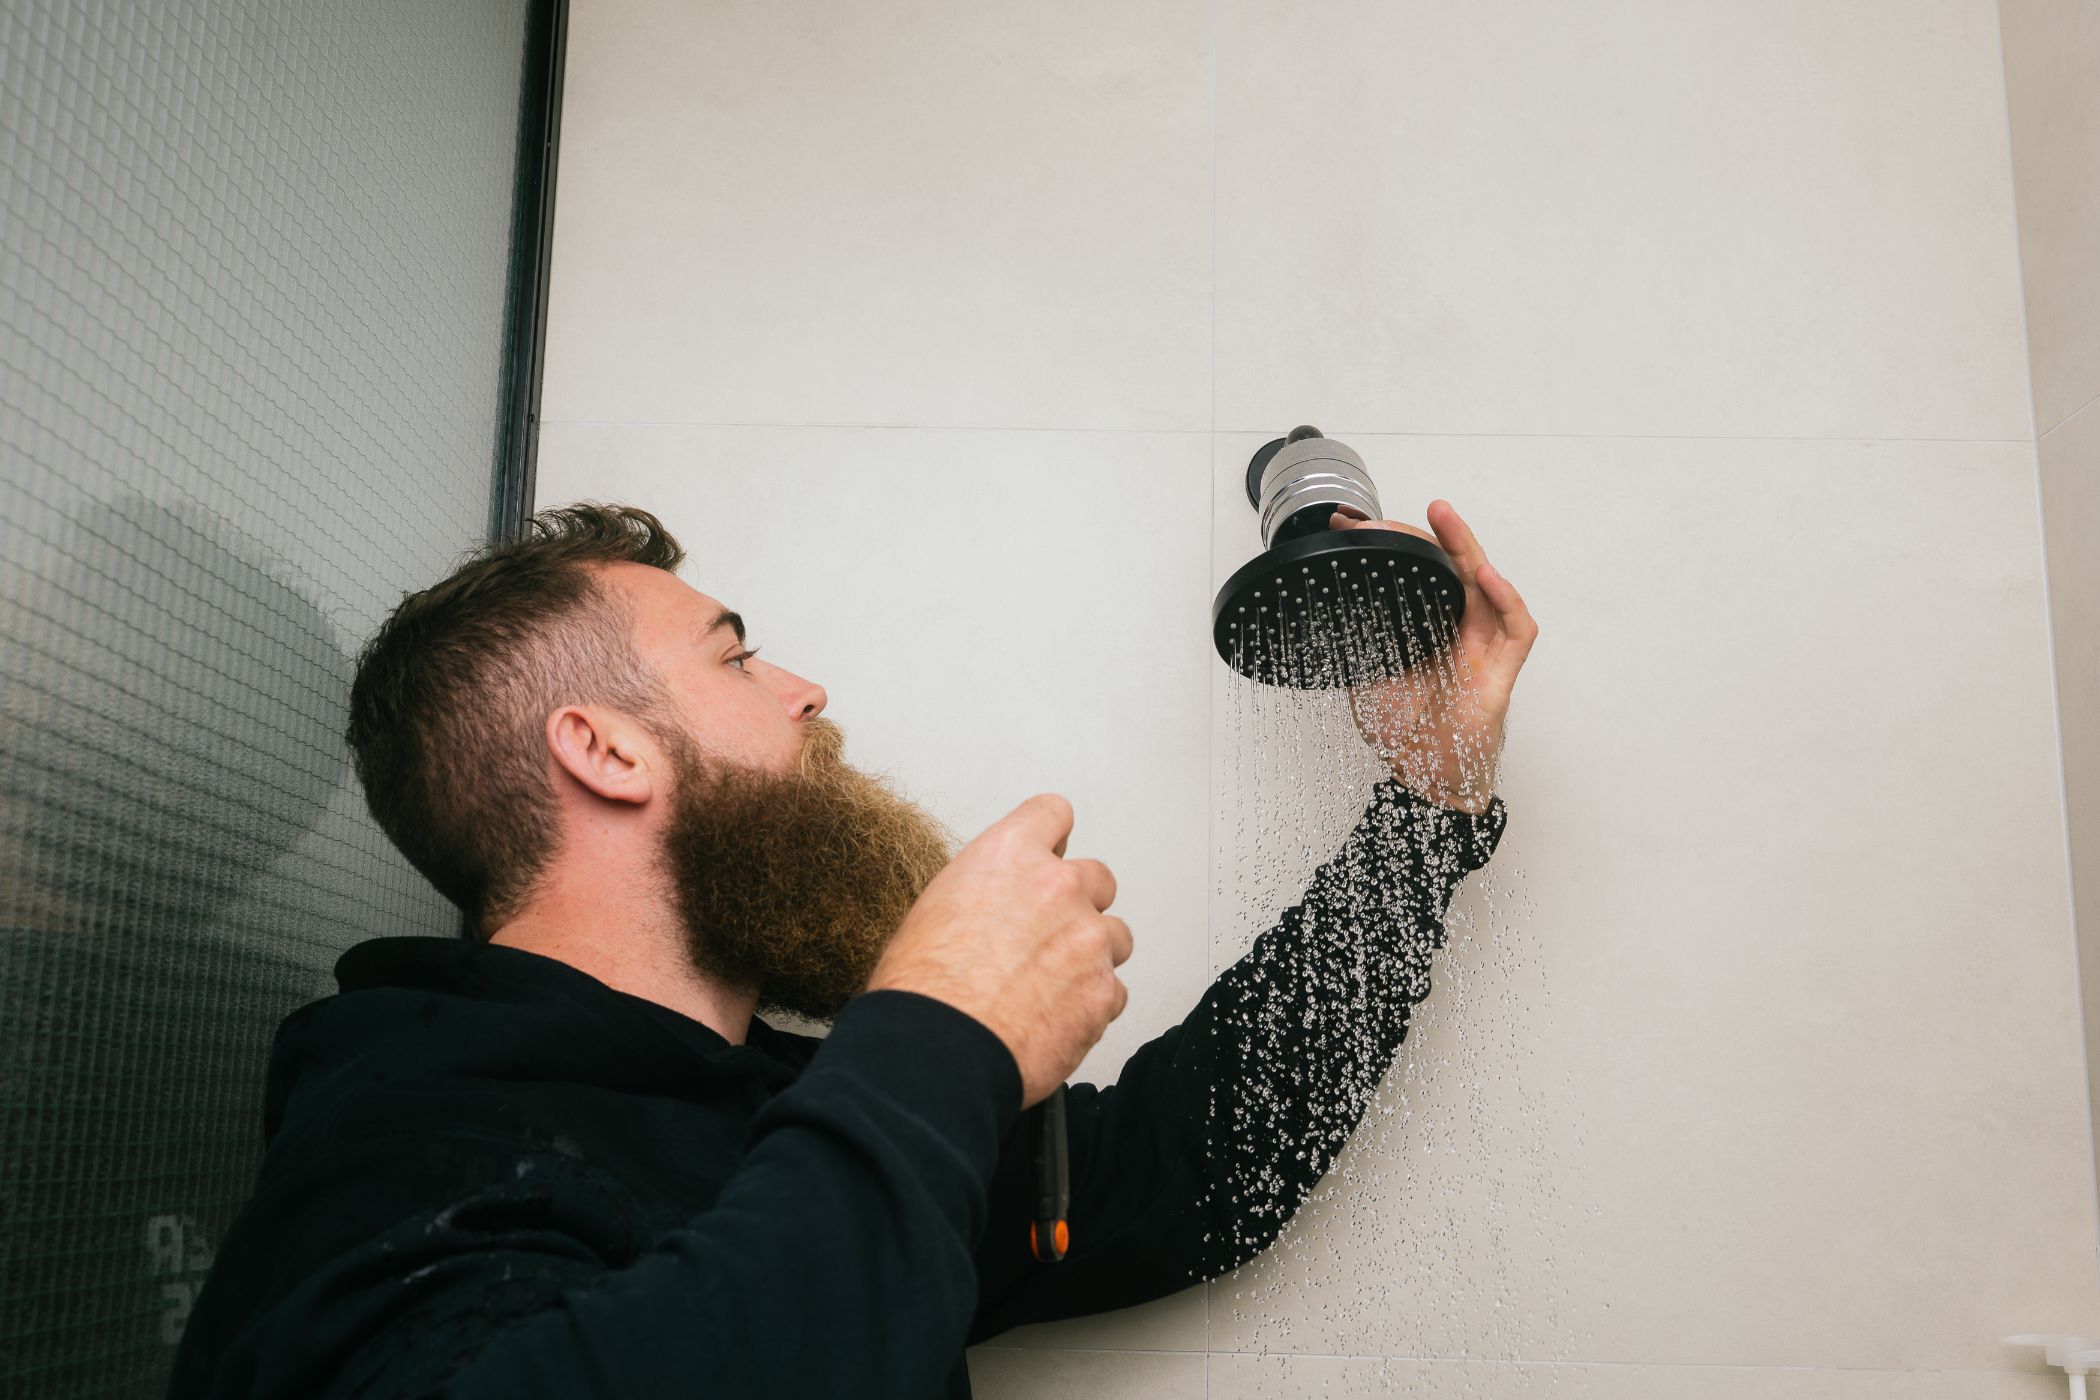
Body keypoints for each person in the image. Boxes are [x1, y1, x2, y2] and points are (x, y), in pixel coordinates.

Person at [165, 500, 1537, 1399]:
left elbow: (1193, 1173)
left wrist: (1427, 808)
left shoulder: (772, 1111)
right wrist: (935, 1034)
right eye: (736, 655)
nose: (806, 687)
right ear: (604, 747)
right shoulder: (398, 1146)